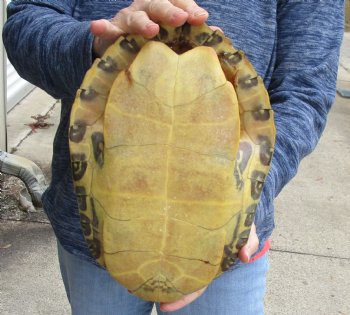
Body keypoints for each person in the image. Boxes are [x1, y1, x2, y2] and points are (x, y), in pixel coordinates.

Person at [3, 0, 344, 314]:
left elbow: (304, 90)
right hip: (105, 241)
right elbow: (24, 24)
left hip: (228, 241)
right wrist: (94, 43)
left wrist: (252, 199)